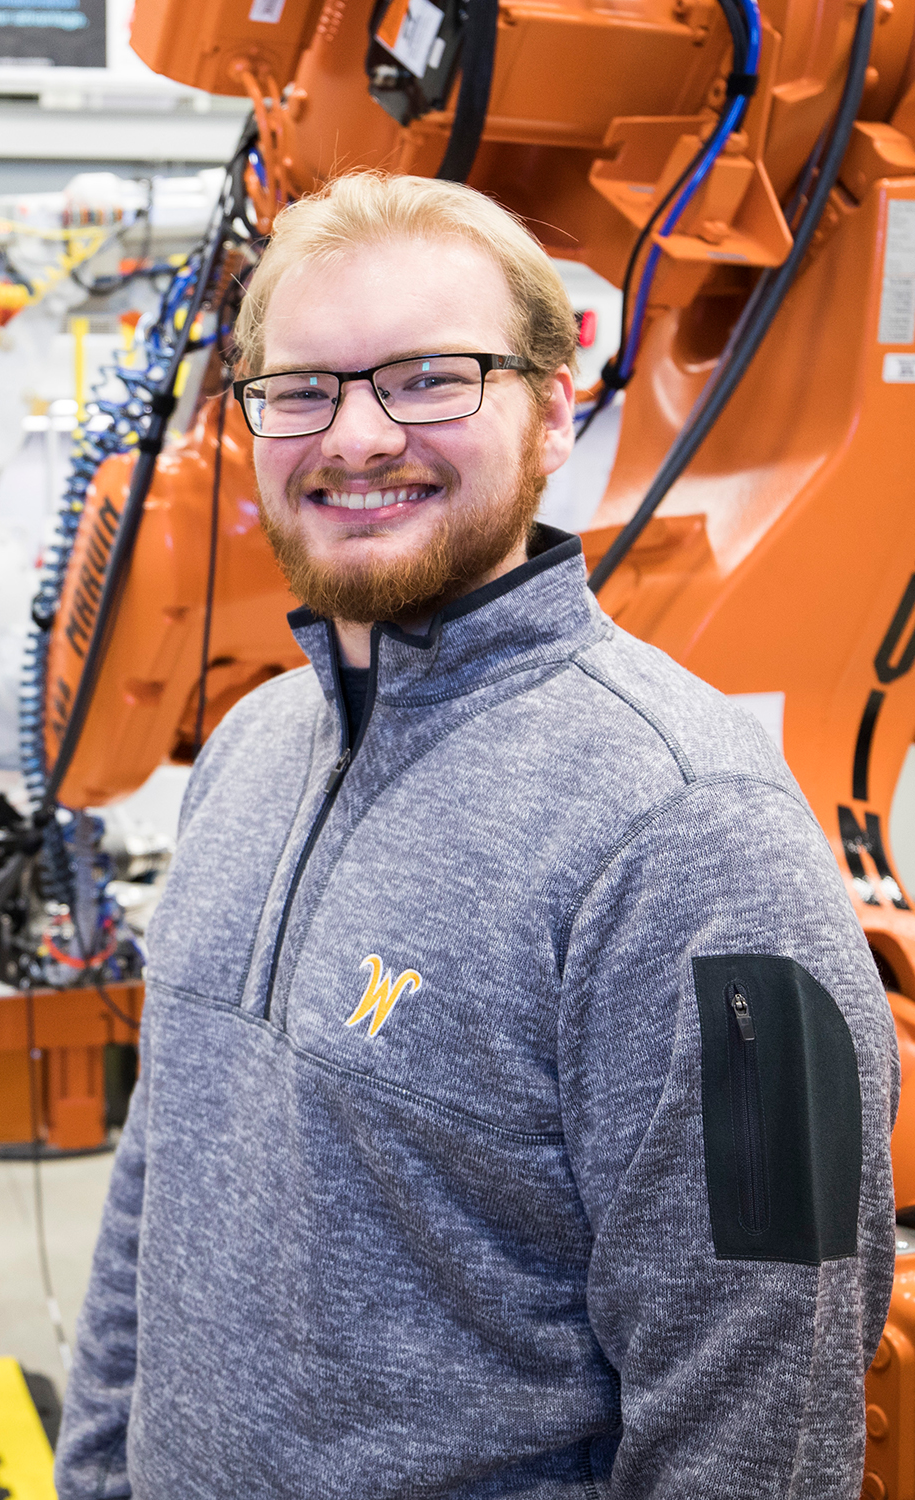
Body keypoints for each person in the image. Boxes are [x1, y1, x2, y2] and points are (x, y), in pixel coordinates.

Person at [54, 171, 899, 1498]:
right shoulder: (248, 757)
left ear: (557, 409)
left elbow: (762, 1408)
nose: (358, 435)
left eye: (431, 379)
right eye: (304, 389)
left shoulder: (690, 837)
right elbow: (157, 1199)